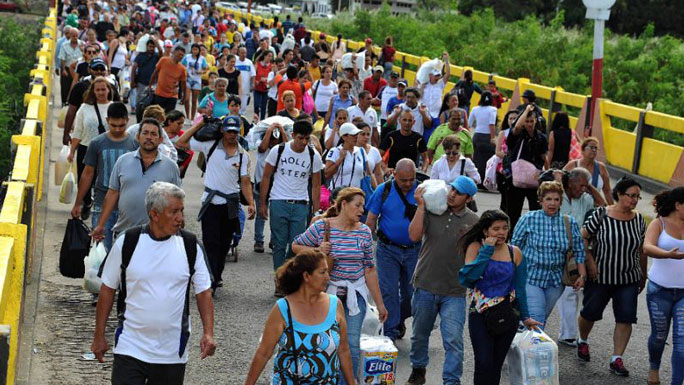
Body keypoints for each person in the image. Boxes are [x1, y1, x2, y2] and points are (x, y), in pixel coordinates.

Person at [92, 182, 216, 384]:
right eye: (174, 212)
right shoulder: (127, 242)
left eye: (181, 211)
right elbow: (107, 289)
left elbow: (203, 292)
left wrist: (208, 333)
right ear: (154, 214)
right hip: (129, 347)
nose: (180, 218)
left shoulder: (190, 246)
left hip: (171, 352)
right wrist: (99, 335)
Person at [292, 187, 388, 385]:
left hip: (355, 296)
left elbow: (369, 270)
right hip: (327, 295)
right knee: (323, 342)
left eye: (363, 206)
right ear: (343, 204)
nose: (362, 210)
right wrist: (317, 249)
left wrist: (380, 304)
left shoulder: (364, 233)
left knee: (351, 344)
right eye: (358, 205)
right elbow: (295, 246)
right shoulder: (322, 227)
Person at [405, 176, 479, 385]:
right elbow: (413, 236)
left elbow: (476, 255)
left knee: (454, 339)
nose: (452, 195)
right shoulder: (433, 209)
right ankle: (418, 368)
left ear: (468, 198)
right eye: (452, 189)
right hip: (425, 284)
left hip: (454, 290)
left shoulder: (473, 221)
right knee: (420, 335)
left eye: (459, 193)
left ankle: (451, 380)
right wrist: (421, 207)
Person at [244, 250, 357, 385]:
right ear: (306, 276)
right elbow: (264, 353)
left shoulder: (335, 304)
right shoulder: (283, 308)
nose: (328, 277)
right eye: (322, 272)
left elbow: (343, 351)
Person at [459, 210, 541, 385]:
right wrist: (487, 250)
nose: (502, 232)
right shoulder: (476, 247)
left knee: (496, 365)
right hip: (479, 313)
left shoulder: (515, 252)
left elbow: (520, 288)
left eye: (505, 228)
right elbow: (468, 278)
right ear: (485, 231)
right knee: (483, 363)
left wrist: (525, 316)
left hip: (507, 314)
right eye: (496, 228)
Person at [177, 116, 255, 293]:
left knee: (225, 244)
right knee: (211, 243)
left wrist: (251, 203)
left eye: (235, 131)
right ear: (222, 130)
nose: (232, 135)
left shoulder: (243, 155)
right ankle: (209, 281)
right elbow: (182, 143)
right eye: (229, 131)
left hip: (230, 204)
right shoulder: (210, 145)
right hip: (211, 202)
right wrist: (201, 124)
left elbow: (245, 181)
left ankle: (216, 275)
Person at [578, 177, 647, 376]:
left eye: (637, 197)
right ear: (619, 194)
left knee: (626, 318)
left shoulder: (638, 220)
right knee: (590, 312)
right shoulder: (601, 214)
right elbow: (583, 236)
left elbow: (641, 250)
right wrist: (589, 261)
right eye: (631, 195)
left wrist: (642, 275)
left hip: (628, 279)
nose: (634, 200)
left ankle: (617, 358)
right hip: (600, 276)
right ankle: (583, 340)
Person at [91, 118, 181, 244]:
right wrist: (101, 225)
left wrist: (178, 228)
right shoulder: (123, 161)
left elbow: (177, 201)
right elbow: (112, 194)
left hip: (158, 235)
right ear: (138, 137)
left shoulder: (171, 166)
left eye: (153, 134)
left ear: (161, 140)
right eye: (145, 133)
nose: (149, 137)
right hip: (124, 233)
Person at [511, 181, 587, 328]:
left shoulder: (569, 222)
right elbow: (515, 248)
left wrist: (581, 275)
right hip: (531, 278)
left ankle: (518, 341)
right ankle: (535, 350)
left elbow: (578, 249)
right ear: (540, 201)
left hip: (556, 281)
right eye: (548, 199)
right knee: (537, 319)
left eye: (556, 199)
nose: (552, 203)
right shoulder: (528, 219)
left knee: (540, 318)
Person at [260, 120, 322, 287]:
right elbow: (266, 176)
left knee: (297, 245)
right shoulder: (278, 150)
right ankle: (280, 281)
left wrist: (316, 212)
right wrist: (262, 203)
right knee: (279, 243)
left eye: (307, 139)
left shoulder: (313, 155)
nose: (303, 142)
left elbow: (316, 184)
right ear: (293, 135)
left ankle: (290, 278)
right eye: (300, 138)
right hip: (279, 201)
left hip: (301, 204)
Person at [366, 159, 421, 342]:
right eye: (403, 180)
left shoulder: (422, 191)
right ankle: (390, 333)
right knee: (388, 291)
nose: (408, 184)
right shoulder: (384, 190)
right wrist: (364, 248)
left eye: (411, 179)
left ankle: (399, 319)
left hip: (414, 250)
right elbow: (371, 219)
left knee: (411, 293)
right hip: (387, 249)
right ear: (394, 174)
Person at [71, 102, 137, 251]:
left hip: (127, 206)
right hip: (101, 203)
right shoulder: (97, 143)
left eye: (121, 126)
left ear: (127, 120)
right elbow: (88, 174)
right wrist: (78, 203)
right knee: (102, 250)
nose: (117, 129)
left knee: (125, 251)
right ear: (107, 121)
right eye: (113, 125)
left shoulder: (135, 144)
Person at [555, 167, 606, 346]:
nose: (583, 189)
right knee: (550, 291)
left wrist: (590, 188)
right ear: (569, 183)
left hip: (576, 250)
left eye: (586, 186)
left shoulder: (585, 198)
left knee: (571, 291)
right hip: (555, 248)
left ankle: (567, 334)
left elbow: (604, 208)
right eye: (581, 185)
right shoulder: (557, 195)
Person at [643, 187, 684, 385]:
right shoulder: (659, 223)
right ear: (678, 205)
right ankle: (654, 368)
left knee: (682, 342)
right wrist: (668, 254)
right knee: (659, 336)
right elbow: (647, 247)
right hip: (660, 291)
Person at [68, 76, 115, 219]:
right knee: (85, 180)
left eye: (103, 89)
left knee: (102, 182)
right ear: (93, 92)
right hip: (86, 149)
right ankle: (87, 203)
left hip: (106, 151)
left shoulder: (114, 107)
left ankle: (101, 209)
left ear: (108, 90)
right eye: (98, 90)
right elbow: (78, 131)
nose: (101, 92)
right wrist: (72, 151)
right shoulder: (84, 108)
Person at [502, 104, 548, 230]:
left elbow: (544, 157)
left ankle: (534, 232)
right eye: (526, 121)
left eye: (531, 121)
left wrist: (548, 174)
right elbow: (516, 127)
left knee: (536, 209)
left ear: (536, 121)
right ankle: (511, 234)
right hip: (516, 179)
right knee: (513, 211)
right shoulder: (517, 135)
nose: (529, 124)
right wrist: (527, 110)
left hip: (534, 178)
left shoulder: (541, 138)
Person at [252, 123, 289, 253]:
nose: (273, 143)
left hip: (276, 187)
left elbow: (287, 144)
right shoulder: (261, 146)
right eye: (272, 140)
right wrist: (269, 130)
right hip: (260, 184)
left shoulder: (281, 150)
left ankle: (274, 241)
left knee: (276, 215)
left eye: (276, 141)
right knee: (261, 214)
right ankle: (259, 240)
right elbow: (262, 147)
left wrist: (282, 130)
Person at [563, 136, 614, 205]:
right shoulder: (573, 165)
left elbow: (607, 191)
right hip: (574, 205)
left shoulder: (601, 168)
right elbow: (560, 183)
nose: (594, 150)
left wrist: (612, 209)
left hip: (593, 207)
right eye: (591, 147)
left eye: (596, 148)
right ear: (583, 150)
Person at [325, 123, 376, 190]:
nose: (356, 137)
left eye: (357, 134)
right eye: (353, 135)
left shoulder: (361, 151)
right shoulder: (335, 151)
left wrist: (377, 192)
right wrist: (340, 159)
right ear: (344, 137)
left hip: (357, 195)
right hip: (339, 196)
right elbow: (327, 174)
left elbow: (369, 174)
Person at [418, 52, 450, 141]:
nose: (437, 77)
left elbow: (448, 75)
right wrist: (422, 86)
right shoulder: (424, 85)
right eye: (435, 76)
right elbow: (418, 96)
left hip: (436, 116)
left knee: (434, 138)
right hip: (424, 115)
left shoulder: (440, 84)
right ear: (430, 76)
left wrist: (447, 61)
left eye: (438, 76)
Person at [468, 91, 497, 184]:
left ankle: (476, 180)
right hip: (487, 137)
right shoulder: (493, 109)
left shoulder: (475, 109)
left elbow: (469, 123)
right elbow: (491, 124)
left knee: (476, 158)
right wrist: (493, 138)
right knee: (487, 160)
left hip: (477, 136)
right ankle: (486, 181)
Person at [148, 46, 187, 113]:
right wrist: (150, 86)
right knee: (157, 113)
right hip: (160, 93)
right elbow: (155, 73)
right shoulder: (163, 60)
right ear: (174, 52)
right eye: (179, 54)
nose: (180, 57)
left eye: (182, 55)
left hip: (172, 95)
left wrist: (184, 96)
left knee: (169, 115)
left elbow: (183, 83)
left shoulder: (182, 69)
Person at [130, 37, 162, 109]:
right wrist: (132, 81)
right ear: (146, 46)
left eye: (153, 47)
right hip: (141, 82)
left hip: (153, 83)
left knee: (152, 102)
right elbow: (134, 68)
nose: (151, 48)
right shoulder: (140, 55)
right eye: (150, 46)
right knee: (140, 102)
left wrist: (155, 41)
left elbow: (160, 51)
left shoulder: (156, 56)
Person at [181, 43, 208, 119]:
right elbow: (182, 65)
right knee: (186, 99)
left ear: (199, 50)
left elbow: (205, 68)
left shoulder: (202, 59)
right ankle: (187, 116)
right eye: (193, 49)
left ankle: (192, 118)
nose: (195, 51)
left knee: (194, 100)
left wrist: (201, 72)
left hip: (197, 80)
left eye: (196, 49)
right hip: (188, 79)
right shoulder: (187, 57)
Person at [253, 50, 273, 120]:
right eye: (269, 56)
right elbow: (253, 74)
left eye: (271, 56)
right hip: (257, 88)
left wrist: (266, 79)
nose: (270, 58)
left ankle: (262, 120)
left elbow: (272, 76)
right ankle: (256, 119)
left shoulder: (271, 66)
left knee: (264, 107)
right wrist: (256, 81)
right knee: (256, 105)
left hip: (265, 89)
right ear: (264, 56)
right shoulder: (258, 64)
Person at [235, 46, 256, 115]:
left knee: (243, 107)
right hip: (236, 88)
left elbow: (253, 74)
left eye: (245, 53)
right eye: (242, 53)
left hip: (245, 89)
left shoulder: (249, 62)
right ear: (238, 53)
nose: (244, 54)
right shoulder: (235, 62)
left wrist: (253, 84)